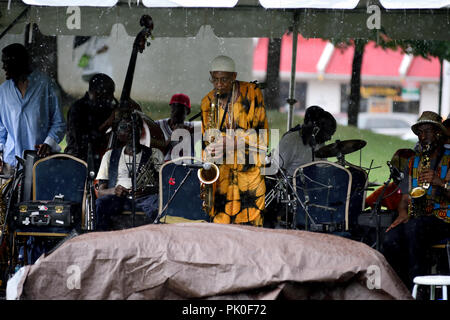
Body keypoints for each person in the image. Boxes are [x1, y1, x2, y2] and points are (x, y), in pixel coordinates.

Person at [382, 111, 450, 291]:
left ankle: (419, 288)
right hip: (418, 219)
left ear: (438, 133)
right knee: (389, 238)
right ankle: (401, 289)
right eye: (420, 132)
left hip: (444, 219)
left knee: (415, 229)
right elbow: (404, 198)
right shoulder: (412, 162)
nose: (423, 136)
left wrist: (441, 183)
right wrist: (402, 214)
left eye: (427, 131)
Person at [200, 55, 269, 226]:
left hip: (249, 175)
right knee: (221, 232)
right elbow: (206, 141)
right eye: (215, 79)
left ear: (234, 76)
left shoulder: (252, 93)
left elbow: (262, 136)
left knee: (251, 228)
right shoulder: (207, 102)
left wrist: (233, 142)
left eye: (224, 79)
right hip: (221, 178)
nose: (219, 84)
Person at [0, 43, 66, 176]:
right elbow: (1, 127)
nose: (3, 67)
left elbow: (58, 122)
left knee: (37, 197)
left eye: (7, 62)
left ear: (19, 63)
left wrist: (48, 143)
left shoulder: (46, 85)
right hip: (11, 163)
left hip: (40, 162)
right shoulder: (3, 90)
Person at [95, 114, 163, 231]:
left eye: (135, 126)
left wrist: (148, 190)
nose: (131, 130)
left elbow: (163, 186)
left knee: (158, 205)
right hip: (118, 198)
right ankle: (102, 239)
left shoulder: (155, 153)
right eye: (124, 127)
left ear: (141, 130)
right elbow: (100, 192)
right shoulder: (110, 155)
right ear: (118, 134)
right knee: (101, 203)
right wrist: (114, 190)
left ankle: (155, 239)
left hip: (146, 199)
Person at [65, 73, 117, 174]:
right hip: (79, 162)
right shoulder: (78, 109)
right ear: (96, 93)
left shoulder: (105, 107)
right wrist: (106, 124)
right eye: (109, 95)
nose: (111, 99)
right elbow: (82, 142)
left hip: (101, 160)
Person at [274, 105, 337, 177]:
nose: (329, 139)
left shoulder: (319, 142)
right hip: (293, 186)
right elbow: (276, 172)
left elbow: (323, 169)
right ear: (315, 128)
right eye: (327, 134)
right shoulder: (290, 140)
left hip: (315, 186)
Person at [155, 93, 194, 161]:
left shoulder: (190, 127)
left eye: (180, 108)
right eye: (174, 107)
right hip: (163, 167)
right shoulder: (158, 125)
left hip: (184, 167)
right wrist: (173, 136)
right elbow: (156, 155)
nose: (176, 111)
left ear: (188, 112)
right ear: (171, 108)